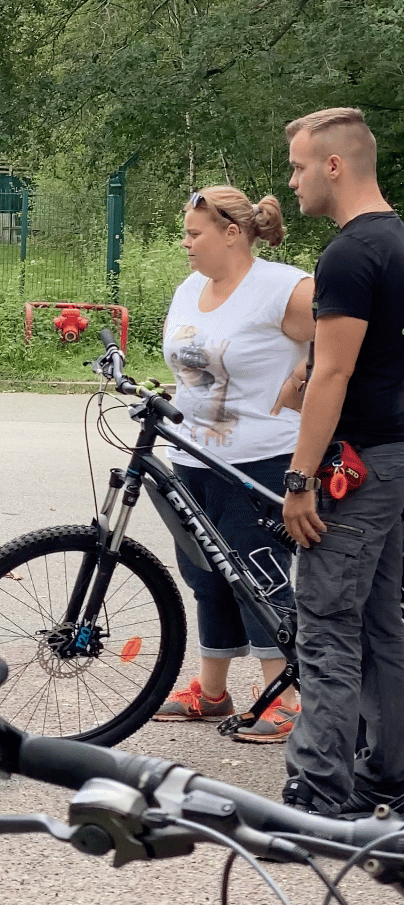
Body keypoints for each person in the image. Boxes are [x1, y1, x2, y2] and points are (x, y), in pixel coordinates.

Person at [153, 186, 315, 742]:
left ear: (232, 233)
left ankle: (285, 696)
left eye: (194, 234)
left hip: (263, 457)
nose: (186, 243)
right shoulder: (189, 288)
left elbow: (349, 344)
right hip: (192, 454)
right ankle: (212, 690)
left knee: (256, 574)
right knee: (205, 574)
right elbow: (187, 362)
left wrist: (300, 378)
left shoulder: (283, 288)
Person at [278, 107, 404, 817]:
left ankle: (321, 797)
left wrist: (300, 479)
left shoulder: (352, 253)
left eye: (299, 166)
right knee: (383, 623)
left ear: (334, 165)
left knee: (326, 624)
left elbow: (332, 374)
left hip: (356, 467)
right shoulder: (396, 240)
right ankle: (388, 778)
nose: (292, 181)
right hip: (393, 456)